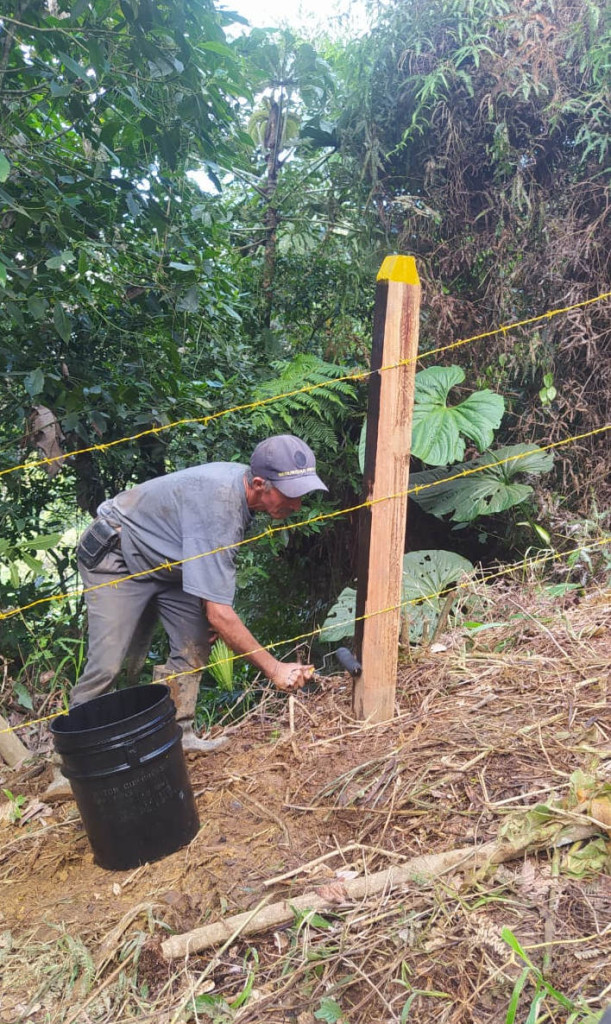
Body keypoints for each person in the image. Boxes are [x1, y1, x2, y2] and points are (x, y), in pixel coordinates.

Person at [43, 435, 327, 800]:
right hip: (117, 558)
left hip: (169, 564)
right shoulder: (221, 506)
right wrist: (274, 669)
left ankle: (179, 733)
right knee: (107, 663)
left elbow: (212, 591)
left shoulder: (241, 494)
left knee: (193, 642)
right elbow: (222, 616)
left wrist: (210, 611)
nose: (299, 503)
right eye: (291, 493)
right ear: (259, 484)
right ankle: (68, 766)